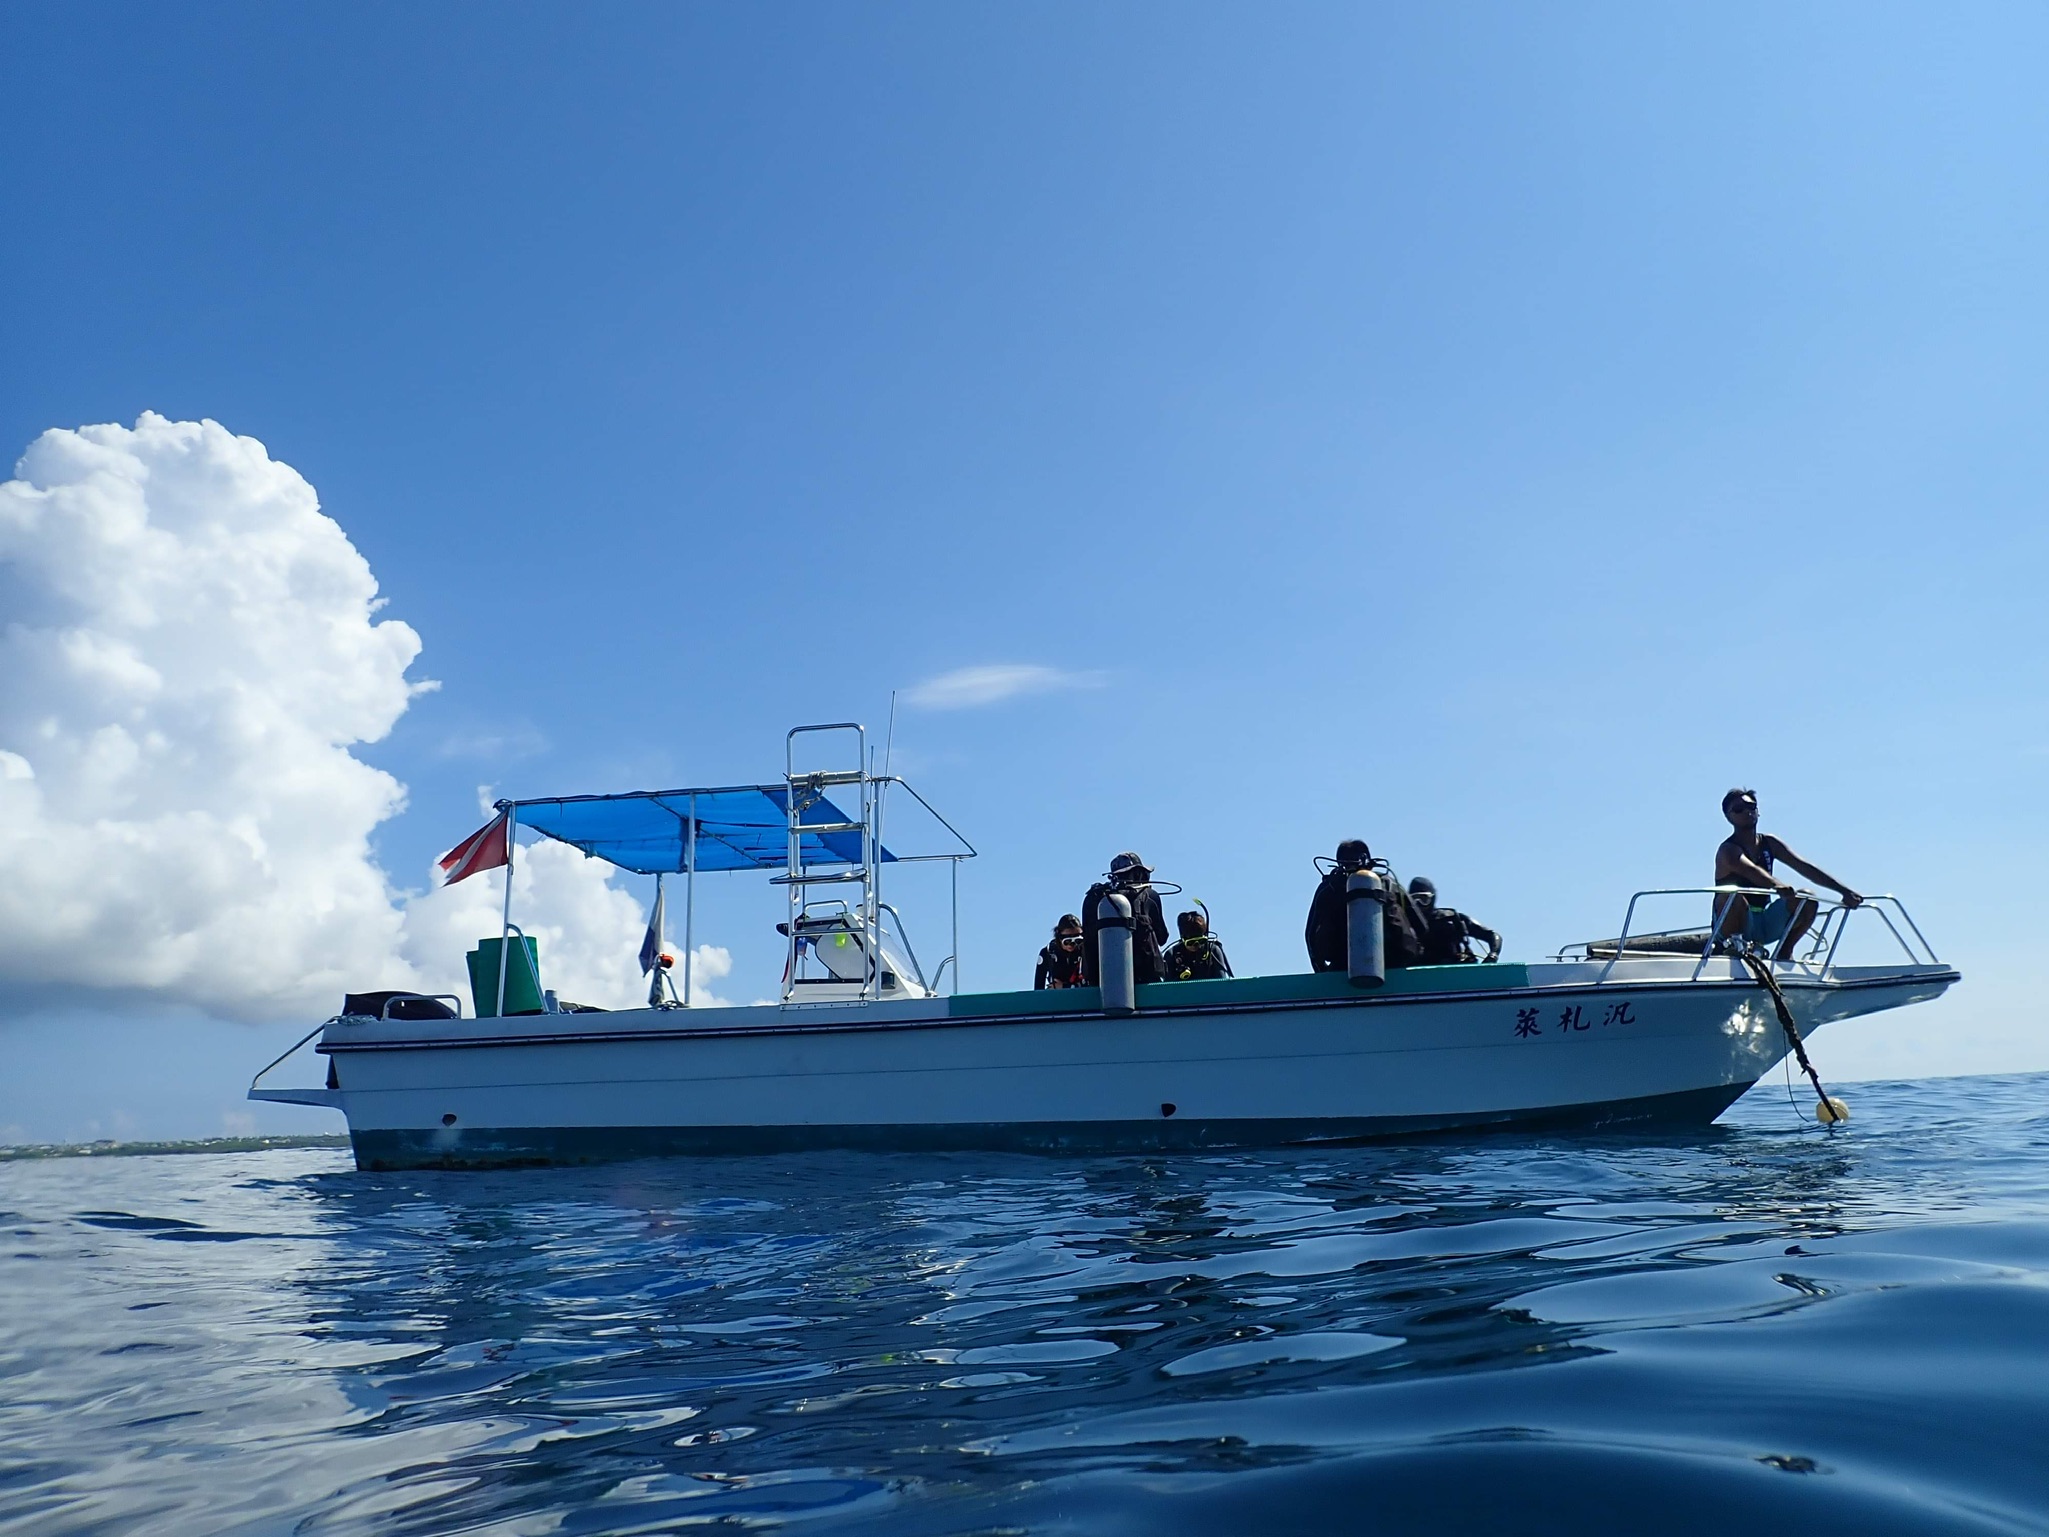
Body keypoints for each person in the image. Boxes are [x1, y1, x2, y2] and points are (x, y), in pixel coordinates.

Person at [1713, 788, 1863, 961]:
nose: (1747, 811)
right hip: (1735, 924)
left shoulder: (1770, 843)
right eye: (1738, 808)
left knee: (1807, 898)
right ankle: (1735, 948)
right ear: (1728, 817)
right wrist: (1776, 885)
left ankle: (1785, 953)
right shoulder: (1728, 850)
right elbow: (1751, 871)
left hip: (1764, 920)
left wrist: (1843, 891)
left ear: (1758, 811)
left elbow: (1804, 866)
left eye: (1751, 806)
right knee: (1731, 895)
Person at [1305, 839, 1429, 972]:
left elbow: (1310, 935)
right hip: (1393, 965)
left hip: (1341, 967)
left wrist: (1322, 971)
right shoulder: (1389, 883)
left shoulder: (1329, 887)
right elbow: (1421, 926)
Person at [1081, 851, 1169, 986]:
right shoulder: (1150, 896)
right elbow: (1162, 937)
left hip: (1100, 981)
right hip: (1145, 980)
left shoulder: (1092, 897)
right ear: (1138, 873)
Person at [1408, 876, 1501, 965]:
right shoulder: (1406, 924)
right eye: (1415, 899)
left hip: (1454, 970)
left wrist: (1493, 955)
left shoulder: (1452, 918)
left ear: (1432, 898)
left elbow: (1492, 935)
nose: (1419, 904)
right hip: (1418, 973)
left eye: (1424, 899)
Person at [1163, 907, 1234, 981]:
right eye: (1190, 942)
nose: (1196, 945)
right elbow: (1167, 988)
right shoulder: (1171, 954)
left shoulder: (1213, 950)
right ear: (1182, 939)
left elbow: (1222, 983)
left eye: (1201, 941)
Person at [1034, 914, 1087, 989]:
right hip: (1057, 996)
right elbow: (1038, 987)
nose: (1072, 945)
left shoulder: (1085, 953)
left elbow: (1093, 982)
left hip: (1082, 994)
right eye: (1067, 941)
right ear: (1059, 938)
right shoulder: (1048, 953)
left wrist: (1064, 987)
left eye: (1077, 941)